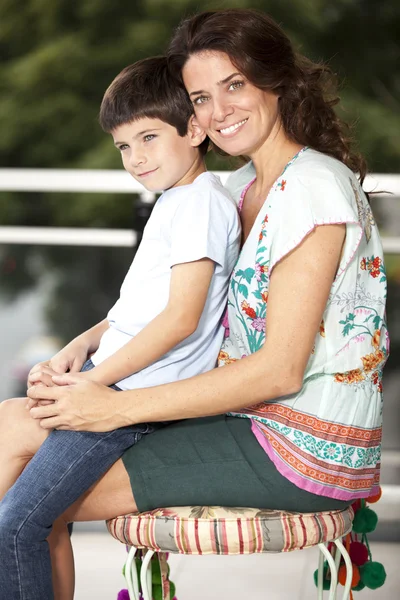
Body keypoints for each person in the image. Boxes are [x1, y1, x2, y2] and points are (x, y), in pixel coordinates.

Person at [0, 8, 389, 600]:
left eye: (235, 85)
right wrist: (83, 349)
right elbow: (173, 301)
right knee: (8, 426)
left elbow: (280, 369)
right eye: (200, 96)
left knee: (22, 496)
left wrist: (111, 406)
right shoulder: (233, 189)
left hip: (299, 446)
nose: (219, 110)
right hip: (237, 418)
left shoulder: (312, 187)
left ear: (276, 80)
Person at [0, 55, 240, 600]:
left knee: (18, 523)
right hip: (113, 380)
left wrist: (93, 383)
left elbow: (180, 319)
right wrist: (79, 347)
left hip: (130, 401)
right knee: (10, 440)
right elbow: (135, 310)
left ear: (196, 129)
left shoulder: (200, 204)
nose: (136, 159)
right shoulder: (176, 202)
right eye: (125, 147)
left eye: (149, 138)